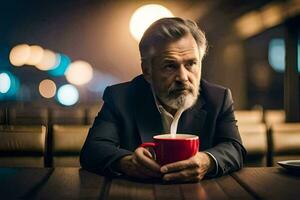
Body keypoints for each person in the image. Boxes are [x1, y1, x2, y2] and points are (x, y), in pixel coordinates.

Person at [80, 17, 246, 182]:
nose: (183, 77)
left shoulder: (218, 98)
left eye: (191, 64)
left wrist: (207, 161)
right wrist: (127, 163)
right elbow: (93, 150)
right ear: (147, 70)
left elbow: (234, 149)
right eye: (170, 66)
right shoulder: (120, 98)